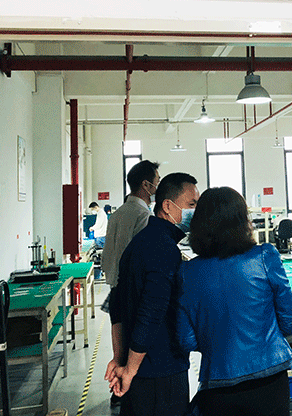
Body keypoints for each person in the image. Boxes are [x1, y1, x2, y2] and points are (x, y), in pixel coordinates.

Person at [177, 187, 292, 416]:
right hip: (269, 377)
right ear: (243, 220)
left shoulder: (187, 272)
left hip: (217, 383)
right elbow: (290, 322)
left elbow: (187, 340)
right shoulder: (265, 256)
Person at [105, 172, 200, 416]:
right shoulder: (163, 249)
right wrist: (130, 369)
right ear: (167, 206)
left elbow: (116, 304)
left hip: (137, 366)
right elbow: (151, 313)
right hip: (160, 372)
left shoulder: (140, 242)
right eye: (191, 204)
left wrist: (120, 359)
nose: (195, 212)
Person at [101, 160, 160, 407]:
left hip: (115, 287)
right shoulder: (143, 215)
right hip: (134, 290)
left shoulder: (117, 214)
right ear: (146, 185)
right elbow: (143, 259)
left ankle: (117, 392)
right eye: (156, 182)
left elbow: (107, 256)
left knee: (120, 345)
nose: (158, 186)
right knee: (135, 343)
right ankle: (128, 389)